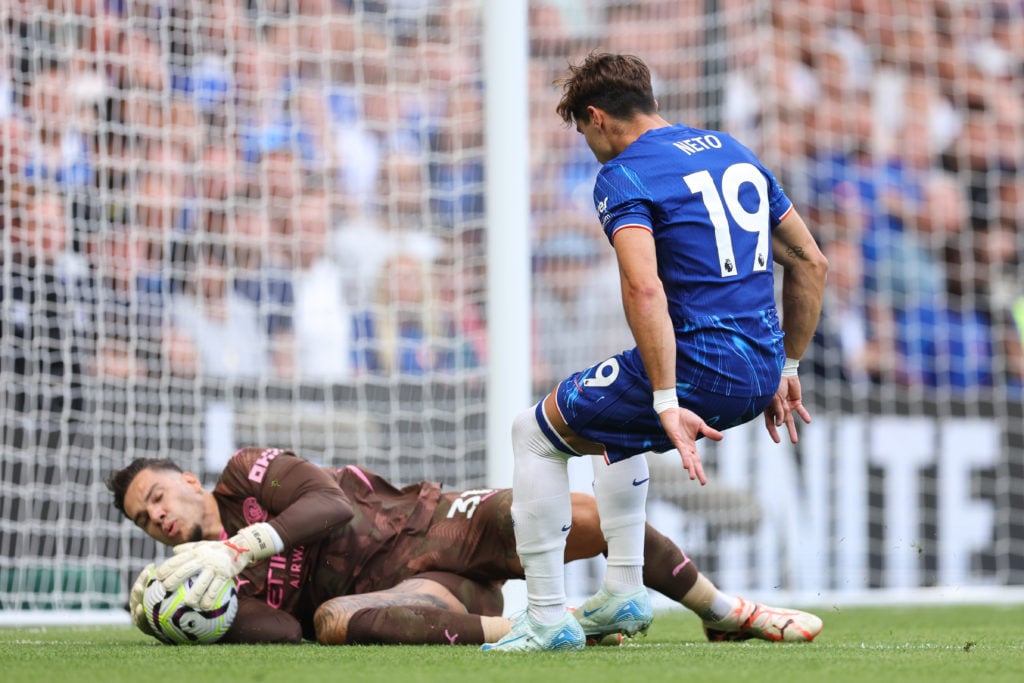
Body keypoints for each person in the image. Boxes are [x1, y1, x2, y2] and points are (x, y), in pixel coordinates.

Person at [485, 52, 828, 652]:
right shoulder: (730, 148)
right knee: (608, 420)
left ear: (596, 117)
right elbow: (810, 261)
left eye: (582, 130)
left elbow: (645, 286)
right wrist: (789, 366)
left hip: (701, 367)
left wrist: (667, 398)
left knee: (534, 433)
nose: (588, 143)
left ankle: (543, 616)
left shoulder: (624, 172)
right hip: (762, 369)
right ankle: (621, 588)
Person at [106, 447, 823, 646]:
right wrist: (195, 619)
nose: (158, 516)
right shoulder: (207, 586)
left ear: (188, 479)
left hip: (436, 521)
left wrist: (240, 547)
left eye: (158, 496)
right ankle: (549, 624)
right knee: (334, 623)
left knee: (578, 515)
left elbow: (326, 503)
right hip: (414, 598)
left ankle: (722, 608)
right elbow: (289, 627)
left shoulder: (245, 476)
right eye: (146, 518)